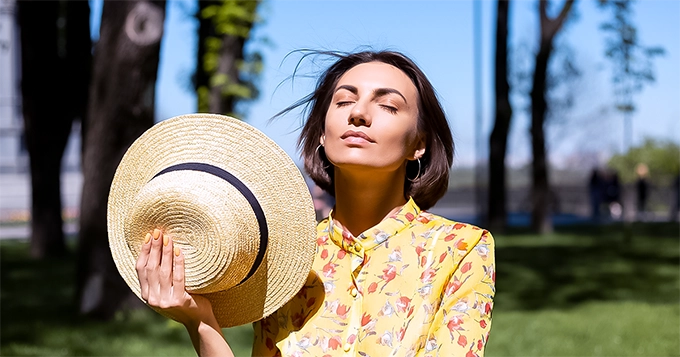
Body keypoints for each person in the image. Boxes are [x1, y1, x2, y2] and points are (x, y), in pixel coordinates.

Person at [135, 50, 495, 356]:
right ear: (323, 133)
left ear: (419, 144)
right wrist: (200, 321)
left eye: (387, 105)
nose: (359, 113)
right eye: (343, 101)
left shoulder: (461, 250)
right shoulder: (282, 258)